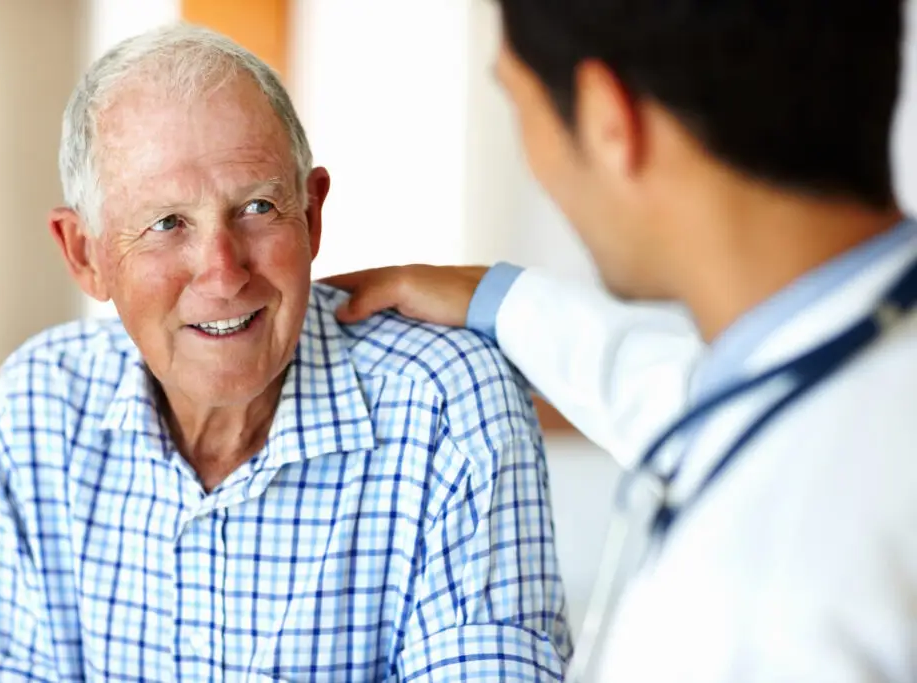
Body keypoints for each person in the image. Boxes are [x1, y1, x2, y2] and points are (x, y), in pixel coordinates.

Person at [325, 1, 917, 681]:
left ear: (610, 121)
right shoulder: (849, 379)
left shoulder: (774, 590)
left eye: (518, 102)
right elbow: (710, 398)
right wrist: (506, 301)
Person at [0, 24, 572, 682]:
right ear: (85, 254)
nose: (223, 273)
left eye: (257, 206)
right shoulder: (43, 400)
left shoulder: (447, 402)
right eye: (167, 223)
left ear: (311, 216)